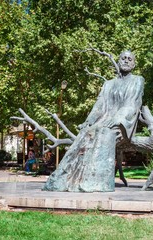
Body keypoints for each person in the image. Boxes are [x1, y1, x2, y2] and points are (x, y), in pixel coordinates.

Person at [44, 50, 144, 192]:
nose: (126, 61)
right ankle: (63, 179)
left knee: (104, 133)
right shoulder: (108, 84)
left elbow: (132, 104)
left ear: (134, 64)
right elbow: (99, 104)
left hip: (123, 123)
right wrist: (89, 121)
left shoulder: (137, 80)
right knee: (85, 133)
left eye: (130, 59)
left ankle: (98, 182)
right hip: (104, 120)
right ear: (119, 61)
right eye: (123, 58)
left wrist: (117, 119)